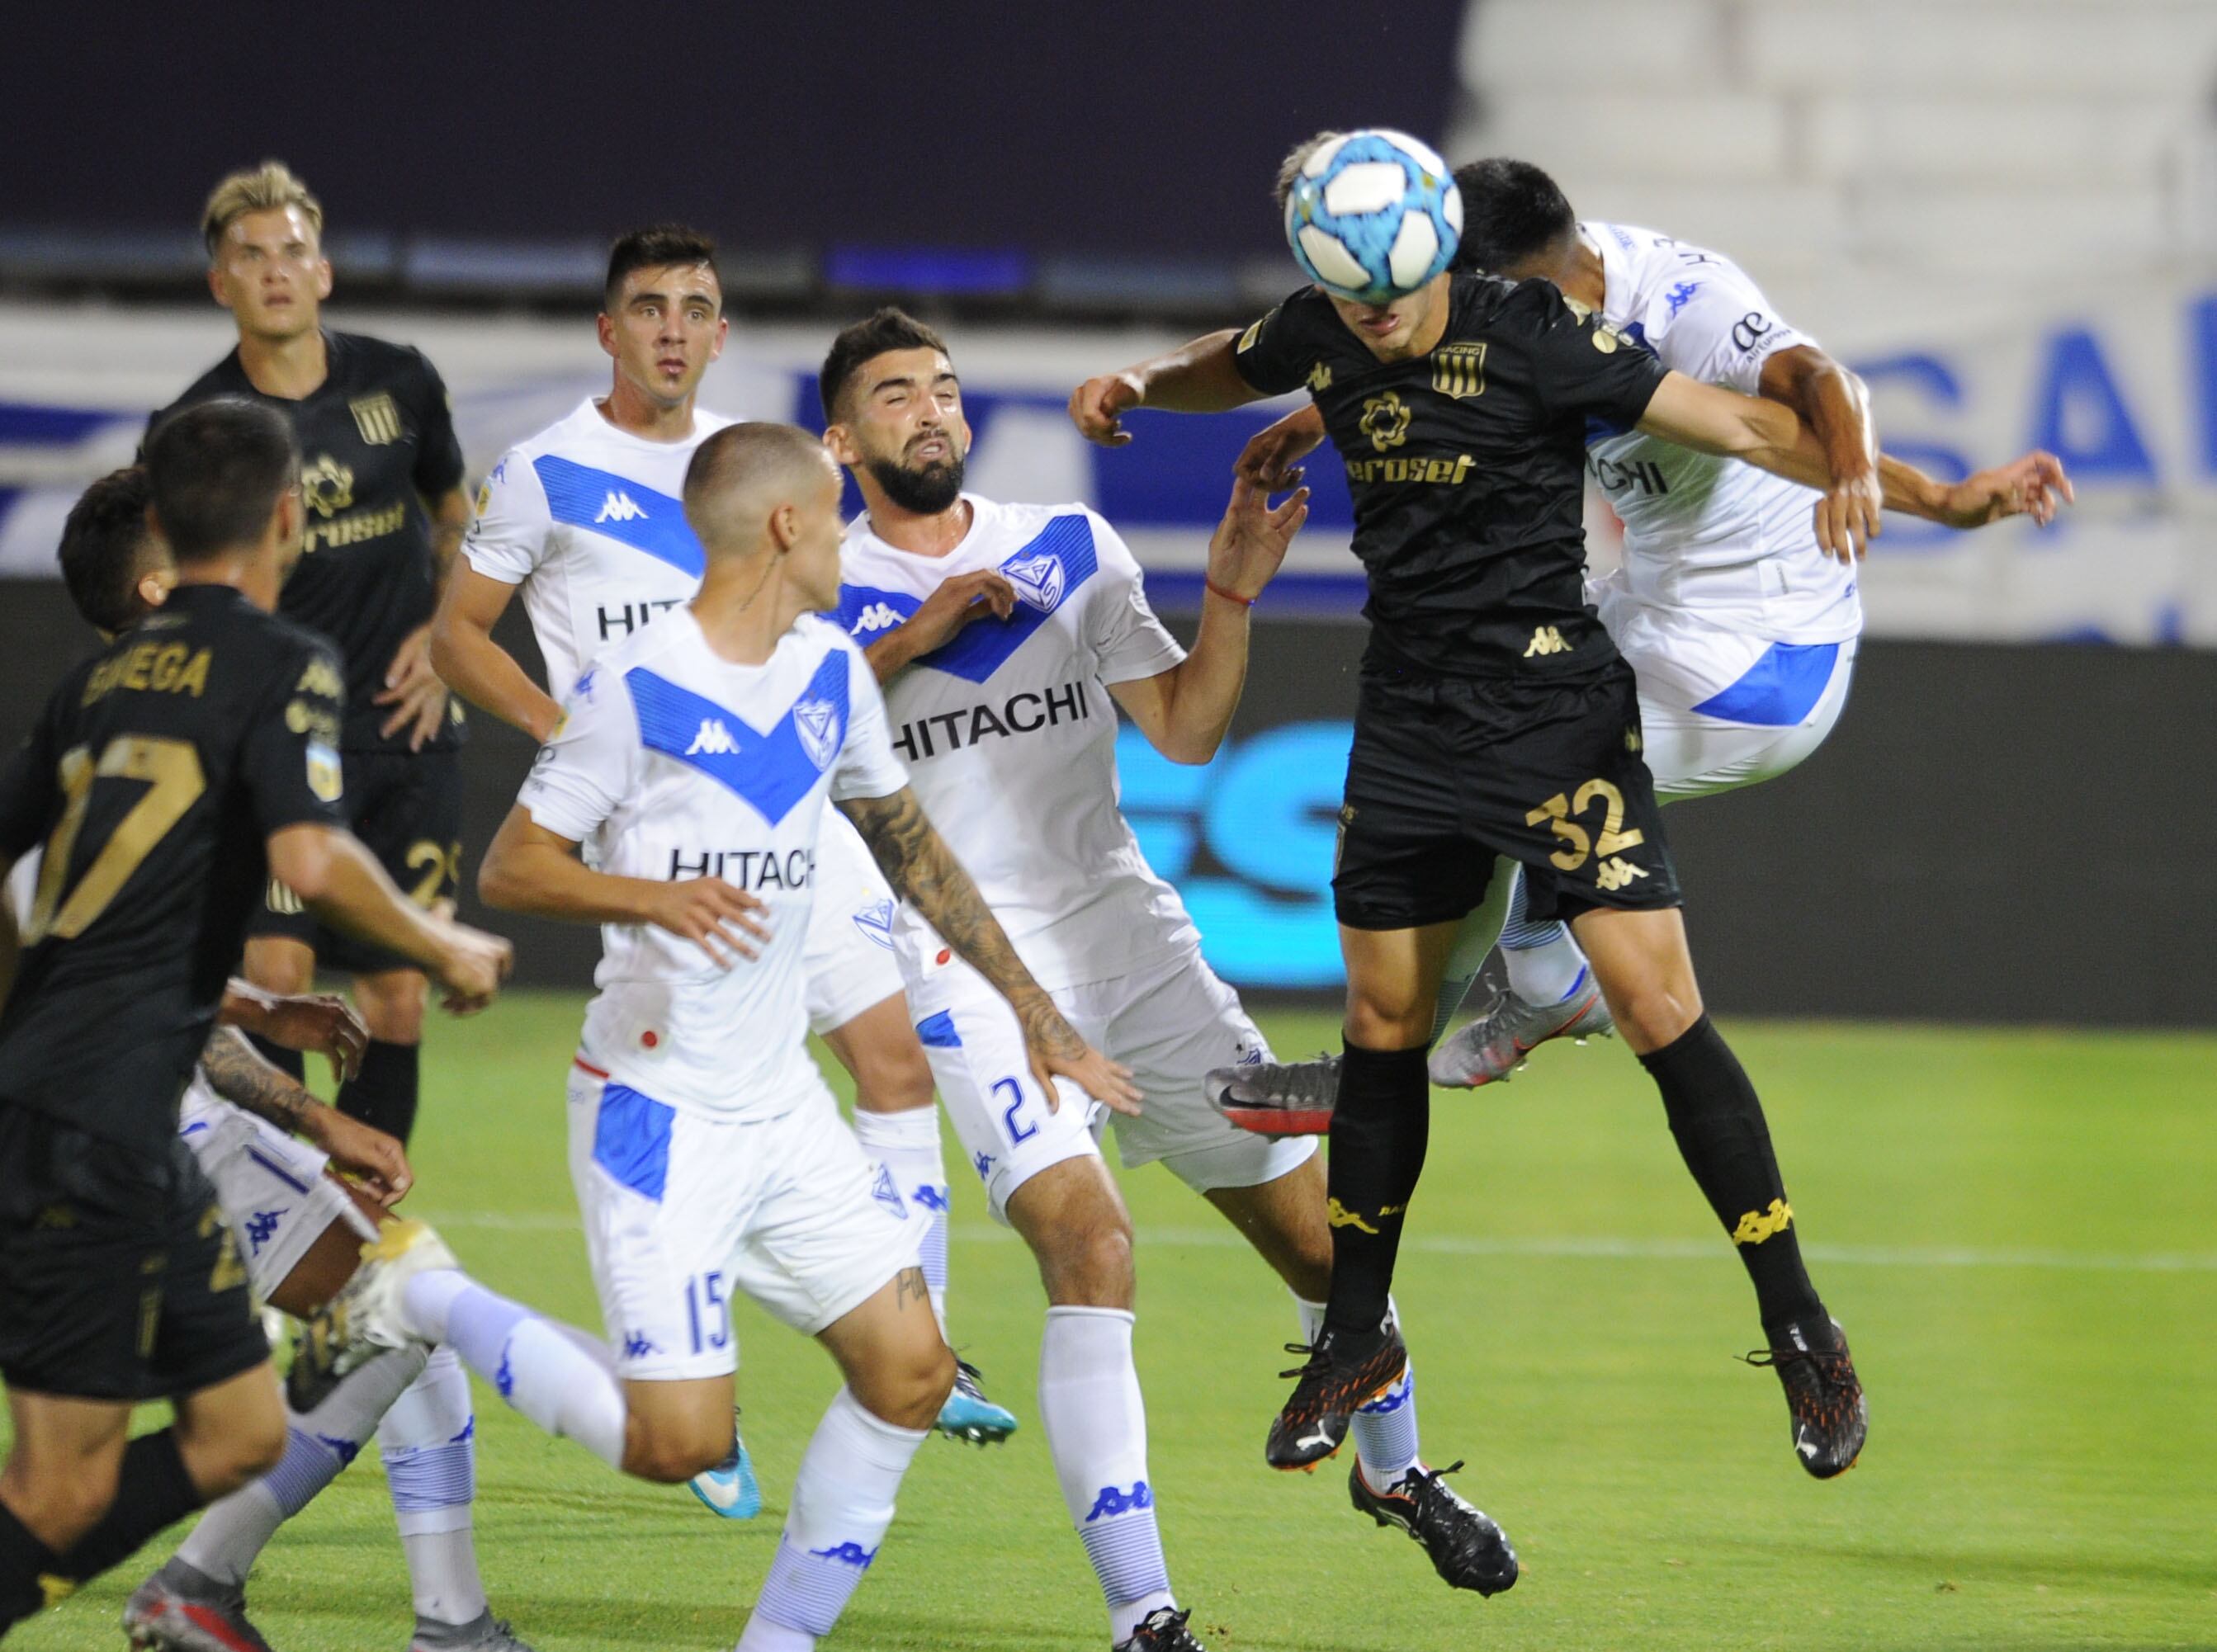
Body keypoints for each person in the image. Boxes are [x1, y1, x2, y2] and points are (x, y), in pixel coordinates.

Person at [1064, 125, 1950, 1484]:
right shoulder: (1329, 322)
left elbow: (1733, 417)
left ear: (1440, 259)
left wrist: (1858, 466)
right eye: (1352, 301)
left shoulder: (1537, 331)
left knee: (1661, 1011)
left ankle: (1802, 1322)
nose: (1373, 319)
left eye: (1394, 295)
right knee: (1376, 1022)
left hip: (1556, 708)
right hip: (1414, 713)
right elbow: (1232, 362)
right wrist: (1133, 380)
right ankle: (1353, 1335)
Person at [823, 309, 1517, 1640]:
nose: (930, 411)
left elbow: (1188, 732)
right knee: (1092, 1240)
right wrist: (914, 634)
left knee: (1324, 1247)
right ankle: (1145, 1613)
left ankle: (1398, 1473)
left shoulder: (1065, 546)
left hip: (1123, 937)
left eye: (946, 389)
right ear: (842, 436)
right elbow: (786, 734)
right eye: (897, 392)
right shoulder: (819, 581)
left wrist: (1234, 585)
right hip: (958, 957)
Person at [428, 420, 1132, 1650]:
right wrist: (650, 895)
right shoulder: (633, 685)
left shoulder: (829, 675)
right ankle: (424, 1300)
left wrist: (1039, 1017)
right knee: (679, 1443)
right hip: (657, 1108)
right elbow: (514, 865)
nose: (849, 540)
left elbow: (914, 852)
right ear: (787, 527)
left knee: (909, 1376)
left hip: (783, 1115)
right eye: (830, 508)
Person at [1222, 155, 2071, 1089]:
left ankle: (1391, 1063)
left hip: (1760, 664)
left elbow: (1813, 394)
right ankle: (1532, 985)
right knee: (1464, 741)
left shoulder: (1685, 307)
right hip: (1639, 612)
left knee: (1478, 781)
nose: (1427, 311)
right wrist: (1314, 414)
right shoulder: (1530, 297)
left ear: (1520, 283)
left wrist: (1920, 492)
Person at [429, 227, 1009, 1465]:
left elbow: (818, 660)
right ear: (609, 329)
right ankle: (677, 1348)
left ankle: (930, 1347)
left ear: (723, 332)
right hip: (654, 821)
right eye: (649, 307)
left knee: (894, 1059)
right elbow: (457, 634)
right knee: (692, 1077)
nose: (674, 329)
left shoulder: (756, 467)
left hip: (788, 807)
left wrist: (918, 632)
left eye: (697, 307)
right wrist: (561, 722)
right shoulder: (543, 471)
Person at [0, 399, 509, 1640]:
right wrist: (439, 937)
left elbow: (42, 917)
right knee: (395, 1305)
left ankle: (252, 1593)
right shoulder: (273, 664)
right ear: (286, 518)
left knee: (229, 1429)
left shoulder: (87, 698)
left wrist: (235, 1000)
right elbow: (315, 857)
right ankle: (223, 1592)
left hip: (90, 1116)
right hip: (123, 1127)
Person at [150, 160, 473, 1153]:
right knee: (276, 983)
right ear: (221, 286)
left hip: (404, 733)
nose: (275, 270)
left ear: (324, 272)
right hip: (278, 753)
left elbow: (460, 525)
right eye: (251, 256)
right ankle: (284, 1226)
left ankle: (361, 1249)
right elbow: (166, 588)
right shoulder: (194, 430)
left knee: (396, 998)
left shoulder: (401, 381)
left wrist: (441, 643)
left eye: (293, 251)